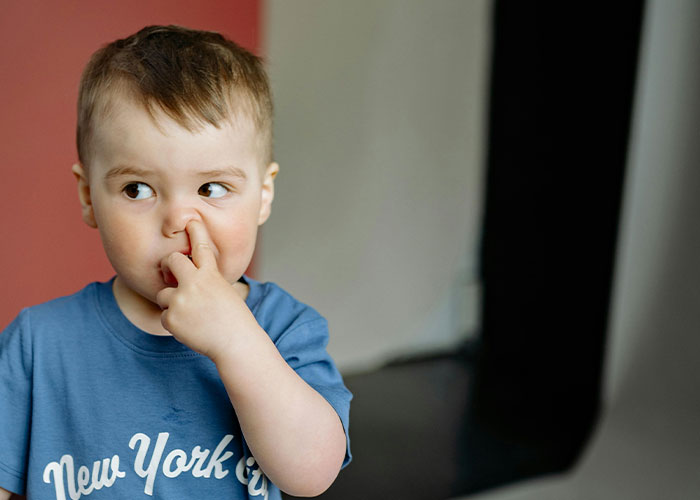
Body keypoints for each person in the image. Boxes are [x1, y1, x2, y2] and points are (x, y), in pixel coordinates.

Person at [0, 25, 351, 500]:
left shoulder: (284, 330)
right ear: (88, 196)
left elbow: (311, 473)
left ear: (263, 194)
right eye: (137, 189)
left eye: (211, 188)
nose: (178, 222)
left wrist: (235, 340)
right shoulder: (38, 344)